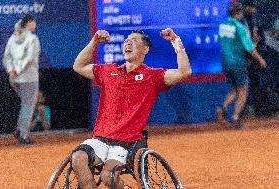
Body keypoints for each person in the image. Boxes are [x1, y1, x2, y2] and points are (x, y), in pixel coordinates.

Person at [72, 28, 191, 189]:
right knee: (78, 159)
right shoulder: (108, 71)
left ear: (145, 49)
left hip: (125, 143)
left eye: (134, 40)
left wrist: (176, 41)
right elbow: (78, 66)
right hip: (99, 138)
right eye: (127, 40)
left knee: (108, 176)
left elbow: (184, 72)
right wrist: (94, 42)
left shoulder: (152, 76)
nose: (128, 42)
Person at [216, 2, 267, 128]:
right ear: (238, 13)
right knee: (243, 90)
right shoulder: (239, 27)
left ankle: (222, 108)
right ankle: (235, 118)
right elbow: (249, 48)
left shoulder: (222, 25)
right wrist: (260, 59)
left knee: (234, 88)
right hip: (238, 62)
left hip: (225, 62)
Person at [2, 14, 41, 144]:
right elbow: (29, 59)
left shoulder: (13, 37)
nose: (35, 24)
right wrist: (18, 70)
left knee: (25, 104)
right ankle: (23, 135)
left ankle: (20, 130)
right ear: (29, 23)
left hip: (14, 78)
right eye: (33, 22)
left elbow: (6, 57)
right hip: (28, 77)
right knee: (28, 105)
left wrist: (11, 70)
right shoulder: (32, 39)